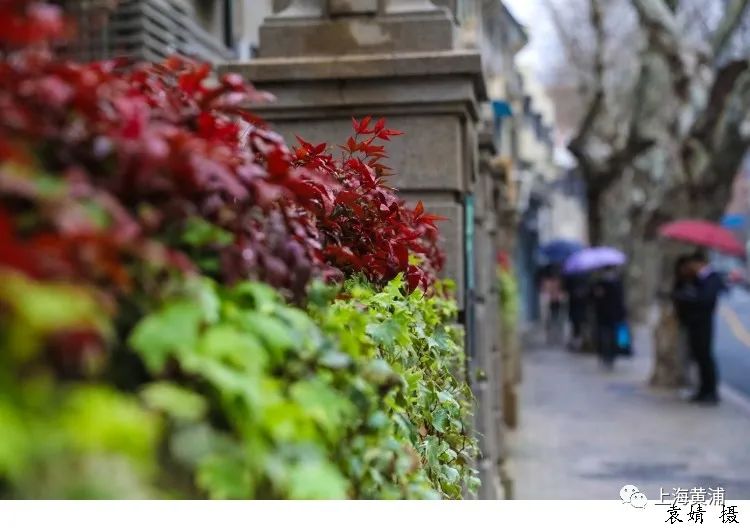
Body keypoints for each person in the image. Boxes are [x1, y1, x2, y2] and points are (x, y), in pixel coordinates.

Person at [672, 251, 726, 404]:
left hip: (703, 323)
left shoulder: (712, 278)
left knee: (705, 357)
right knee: (699, 357)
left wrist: (689, 297)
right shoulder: (698, 279)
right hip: (694, 323)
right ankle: (703, 391)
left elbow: (705, 299)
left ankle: (711, 391)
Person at [591, 265, 627, 368]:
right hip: (603, 316)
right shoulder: (599, 284)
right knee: (604, 336)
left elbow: (620, 300)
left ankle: (611, 355)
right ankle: (605, 355)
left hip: (614, 316)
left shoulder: (617, 283)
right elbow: (593, 298)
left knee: (611, 337)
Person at [564, 272, 589, 351]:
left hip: (579, 311)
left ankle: (578, 343)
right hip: (578, 311)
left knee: (577, 328)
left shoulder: (573, 280)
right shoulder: (582, 280)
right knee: (577, 328)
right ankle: (578, 344)